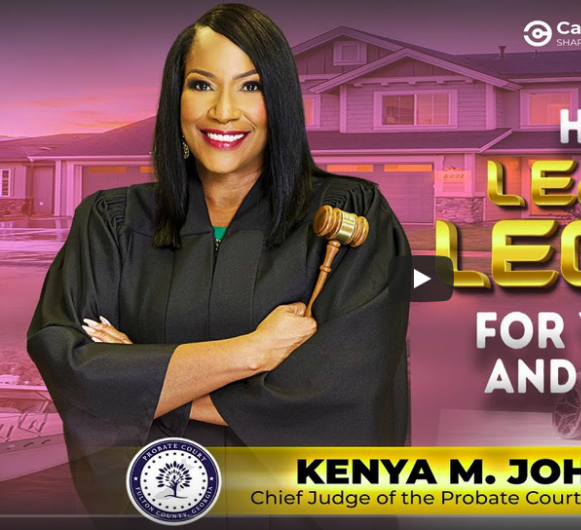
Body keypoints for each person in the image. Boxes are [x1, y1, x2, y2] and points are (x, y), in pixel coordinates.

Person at [25, 3, 411, 521]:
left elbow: (345, 390)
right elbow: (71, 366)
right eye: (202, 85)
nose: (224, 111)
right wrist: (253, 353)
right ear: (176, 97)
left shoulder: (350, 212)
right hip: (160, 502)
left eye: (250, 86)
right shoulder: (112, 221)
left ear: (280, 100)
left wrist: (145, 379)